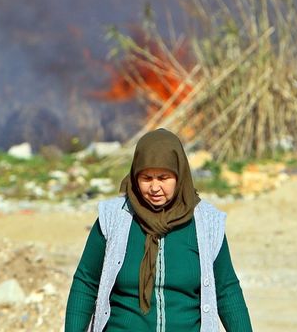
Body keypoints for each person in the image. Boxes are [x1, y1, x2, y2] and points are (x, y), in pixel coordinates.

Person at [65, 128, 253, 332]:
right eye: (146, 178)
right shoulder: (114, 218)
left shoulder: (207, 223)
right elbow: (86, 282)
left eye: (163, 178)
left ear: (179, 176)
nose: (154, 188)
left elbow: (227, 289)